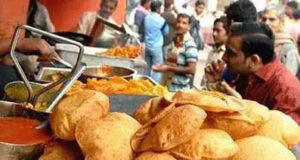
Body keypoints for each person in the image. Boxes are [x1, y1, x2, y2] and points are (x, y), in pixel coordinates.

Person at [205, 22, 300, 124]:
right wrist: (217, 84)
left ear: (254, 60)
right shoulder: (246, 72)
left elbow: (284, 136)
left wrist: (244, 109)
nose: (224, 57)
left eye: (230, 53)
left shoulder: (286, 89)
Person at [153, 13, 198, 91]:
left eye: (184, 23)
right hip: (167, 87)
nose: (180, 25)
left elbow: (191, 69)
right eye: (178, 22)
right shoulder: (174, 42)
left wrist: (168, 68)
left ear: (189, 27)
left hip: (179, 91)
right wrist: (162, 67)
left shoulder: (190, 44)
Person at [262, 4, 300, 79]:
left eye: (272, 19)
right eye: (264, 19)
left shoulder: (289, 49)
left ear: (282, 22)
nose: (266, 23)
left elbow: (287, 80)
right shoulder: (260, 42)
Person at [143, 0, 169, 83]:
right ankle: (154, 86)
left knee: (147, 67)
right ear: (158, 9)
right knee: (157, 68)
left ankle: (144, 84)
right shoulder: (161, 20)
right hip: (156, 47)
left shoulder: (146, 18)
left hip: (147, 46)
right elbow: (166, 32)